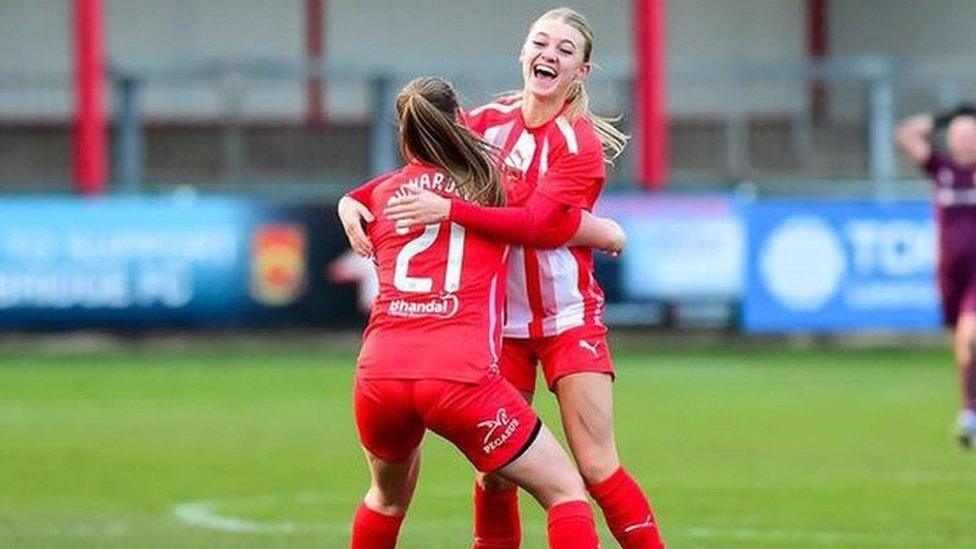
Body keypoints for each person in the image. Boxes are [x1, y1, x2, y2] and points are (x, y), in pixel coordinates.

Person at [341, 8, 666, 548]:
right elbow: (426, 164)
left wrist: (451, 212)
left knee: (596, 466)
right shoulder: (487, 121)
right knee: (495, 475)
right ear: (523, 53)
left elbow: (539, 224)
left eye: (566, 50)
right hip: (498, 326)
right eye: (542, 42)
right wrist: (352, 198)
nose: (550, 54)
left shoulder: (576, 142)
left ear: (581, 72)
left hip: (565, 316)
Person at [896, 104, 976, 448]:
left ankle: (969, 412)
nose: (964, 141)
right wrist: (944, 116)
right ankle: (969, 408)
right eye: (958, 134)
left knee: (970, 336)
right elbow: (906, 135)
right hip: (949, 273)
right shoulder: (941, 167)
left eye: (971, 134)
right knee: (961, 343)